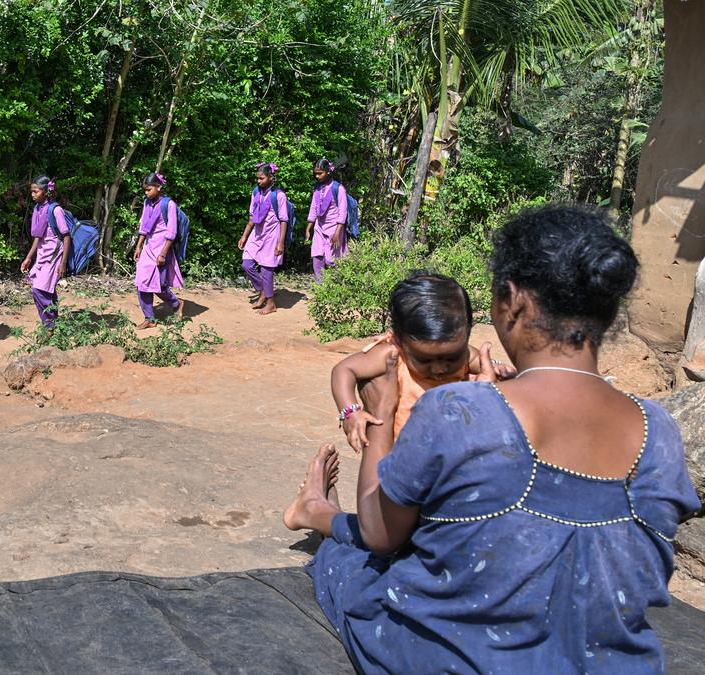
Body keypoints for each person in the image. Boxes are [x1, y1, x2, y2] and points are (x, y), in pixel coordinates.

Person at [285, 204, 701, 673]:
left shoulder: (461, 410)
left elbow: (381, 536)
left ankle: (317, 513)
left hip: (459, 660)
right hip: (614, 664)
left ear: (511, 301)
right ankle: (318, 511)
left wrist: (380, 412)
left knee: (350, 562)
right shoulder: (658, 429)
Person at [331, 272, 515, 452]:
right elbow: (344, 370)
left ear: (467, 334)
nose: (440, 367)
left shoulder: (464, 353)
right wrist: (350, 412)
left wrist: (497, 369)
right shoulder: (391, 355)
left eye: (452, 358)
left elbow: (480, 362)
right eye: (424, 360)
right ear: (398, 341)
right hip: (400, 455)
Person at [133, 172, 185, 329]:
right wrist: (139, 246)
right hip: (148, 247)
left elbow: (172, 232)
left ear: (159, 187)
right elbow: (144, 226)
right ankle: (149, 318)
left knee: (159, 285)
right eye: (145, 190)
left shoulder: (169, 205)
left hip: (162, 248)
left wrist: (163, 253)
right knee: (141, 282)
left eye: (149, 189)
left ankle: (176, 304)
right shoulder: (147, 203)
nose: (146, 193)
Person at [20, 175, 72, 330]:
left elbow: (66, 236)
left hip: (54, 255)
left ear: (45, 192)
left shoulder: (55, 210)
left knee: (39, 290)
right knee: (47, 291)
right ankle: (54, 324)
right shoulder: (38, 209)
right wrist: (29, 258)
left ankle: (49, 326)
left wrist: (63, 263)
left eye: (36, 191)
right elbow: (38, 236)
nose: (32, 194)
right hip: (43, 255)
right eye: (32, 191)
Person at [239, 162, 288, 314]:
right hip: (257, 234)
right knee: (247, 264)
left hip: (272, 235)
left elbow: (284, 220)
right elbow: (252, 217)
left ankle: (271, 303)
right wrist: (245, 235)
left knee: (267, 270)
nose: (259, 181)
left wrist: (280, 243)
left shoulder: (279, 196)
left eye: (262, 178)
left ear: (271, 177)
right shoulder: (256, 193)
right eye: (257, 179)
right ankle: (263, 291)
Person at [305, 159, 348, 282]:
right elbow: (313, 207)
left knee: (331, 260)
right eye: (316, 174)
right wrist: (309, 227)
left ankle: (336, 287)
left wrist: (337, 233)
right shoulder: (317, 188)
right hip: (319, 227)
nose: (317, 176)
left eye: (320, 173)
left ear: (328, 172)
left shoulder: (338, 189)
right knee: (317, 258)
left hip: (334, 228)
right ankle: (320, 288)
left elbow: (342, 212)